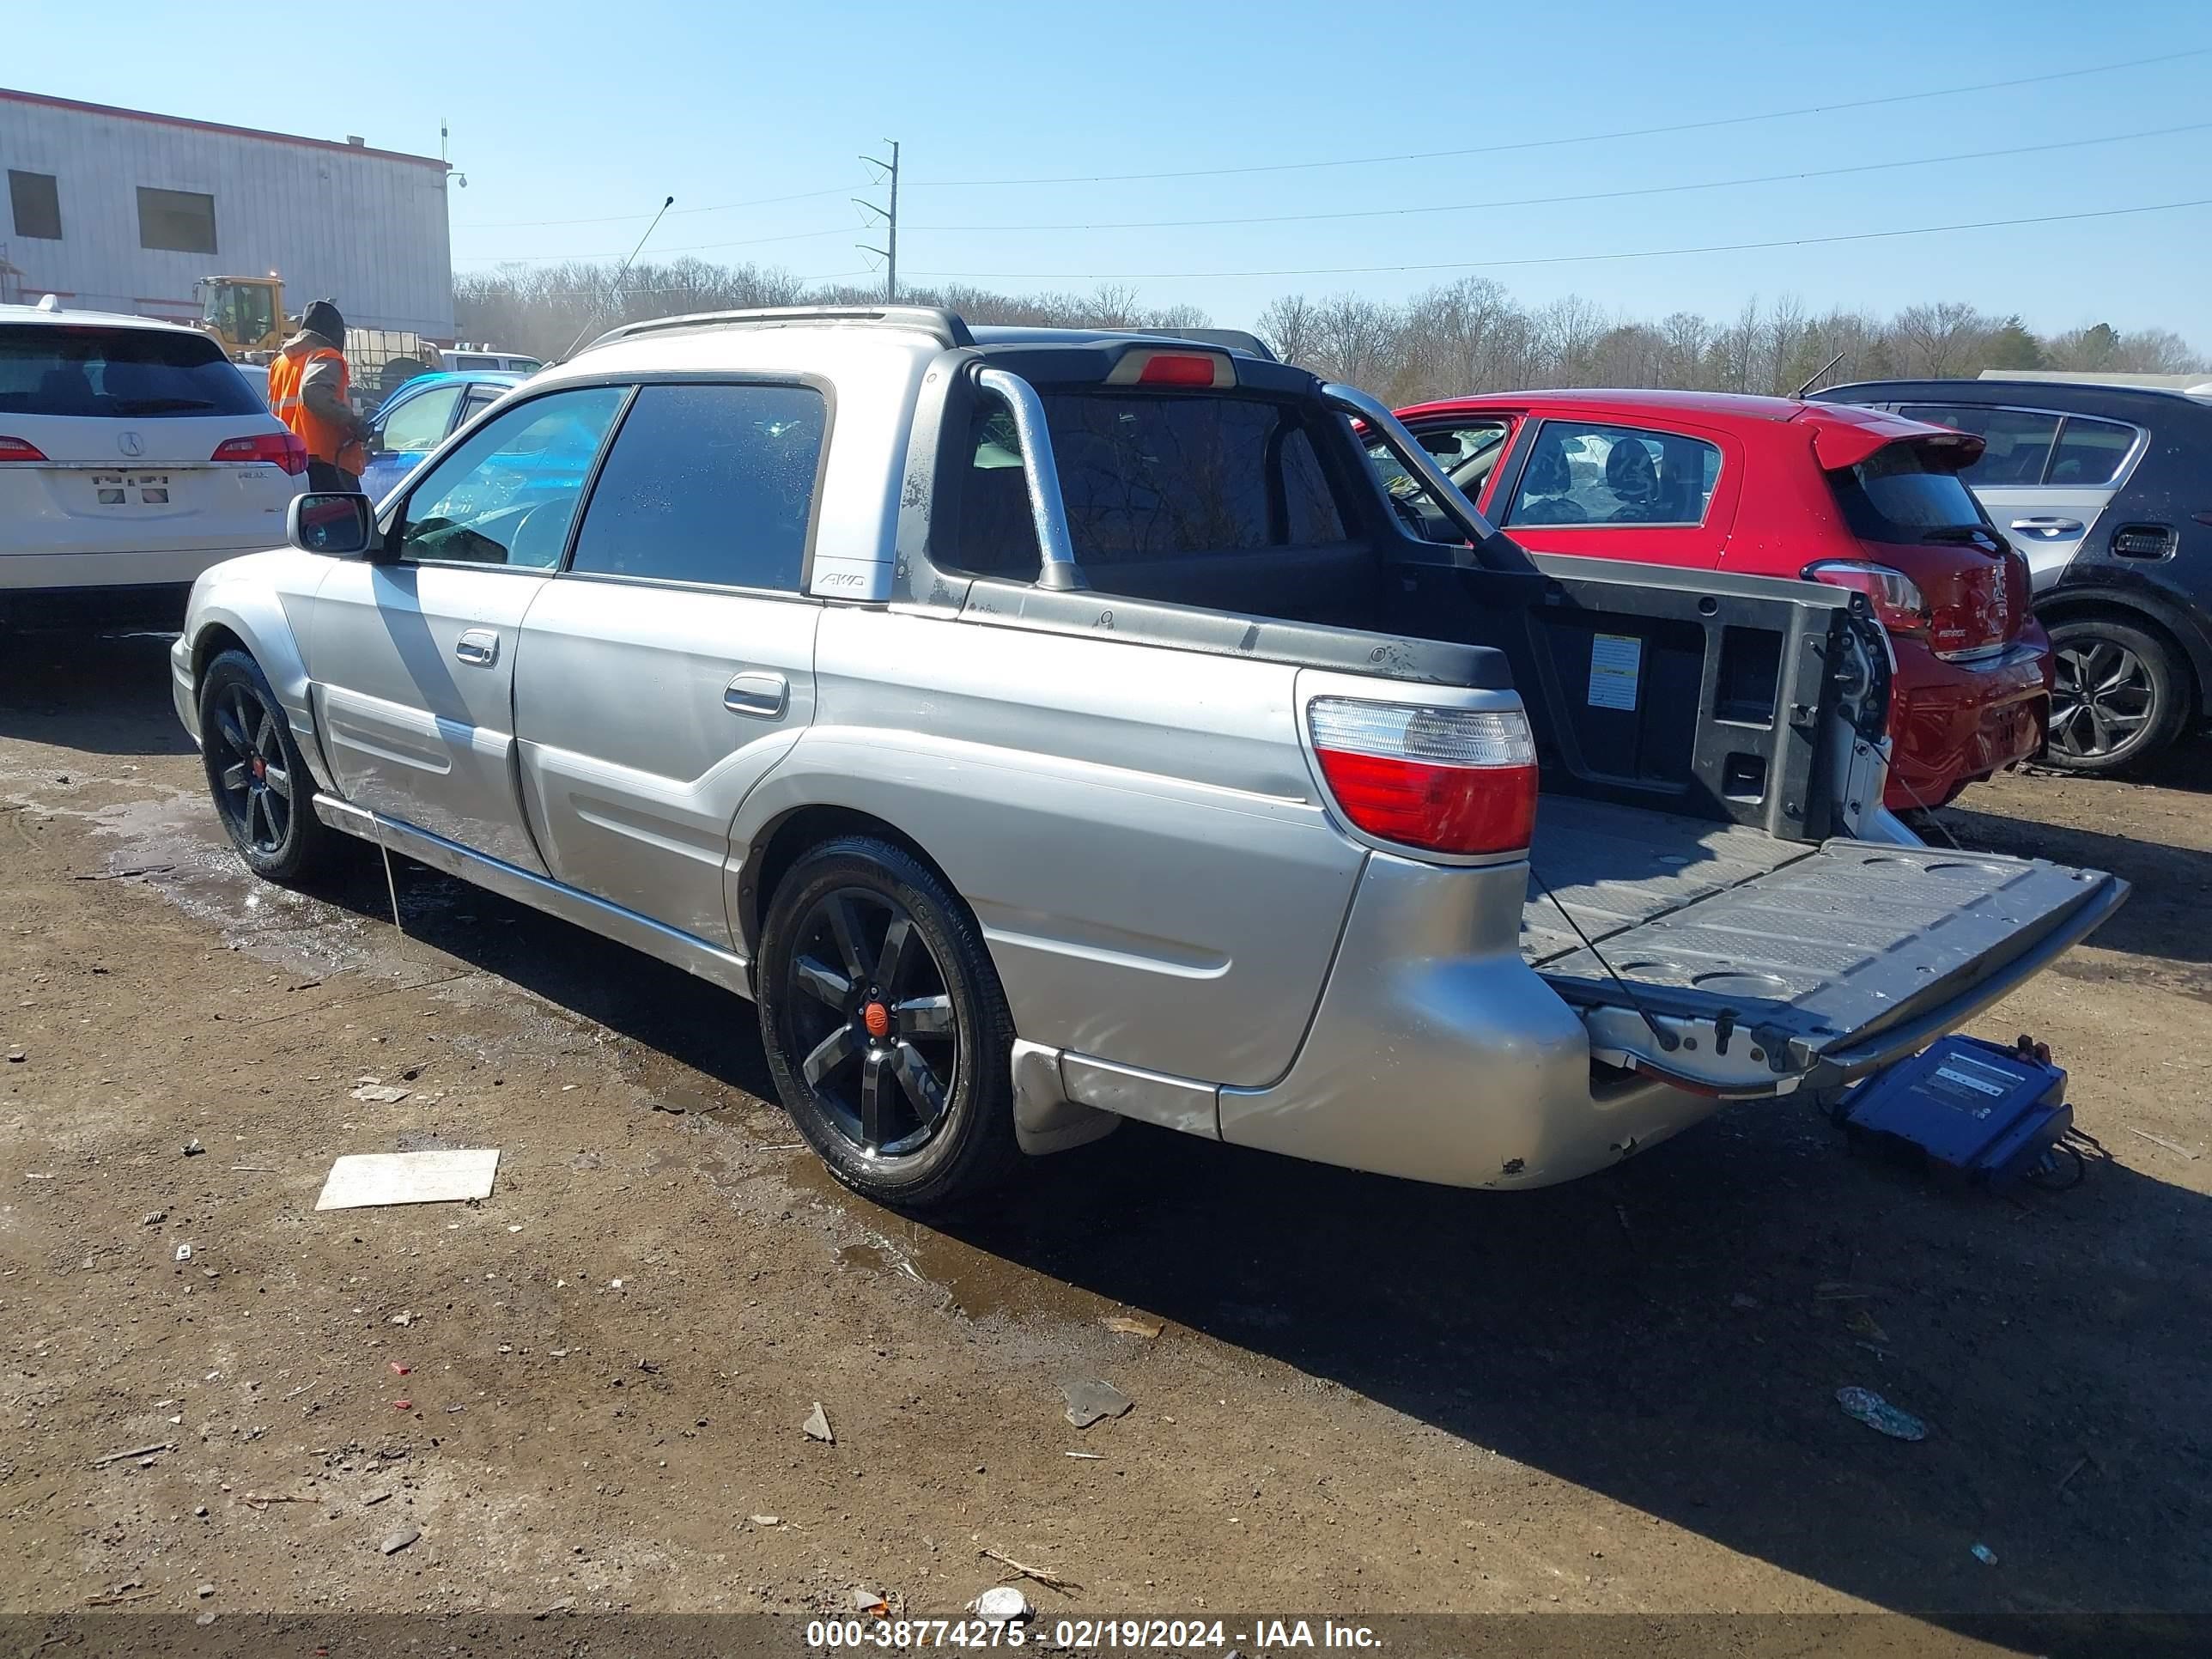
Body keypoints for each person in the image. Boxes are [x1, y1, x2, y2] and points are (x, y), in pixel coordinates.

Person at [267, 299, 373, 491]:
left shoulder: (281, 363)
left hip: (292, 463)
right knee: (347, 519)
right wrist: (353, 422)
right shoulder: (325, 356)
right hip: (327, 464)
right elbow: (313, 390)